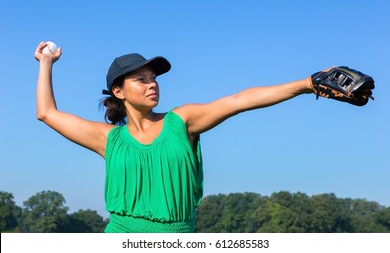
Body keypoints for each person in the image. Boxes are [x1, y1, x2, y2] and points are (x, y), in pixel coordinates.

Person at [34, 41, 314, 233]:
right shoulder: (109, 139)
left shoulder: (182, 121)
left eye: (153, 77)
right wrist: (46, 62)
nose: (152, 84)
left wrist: (306, 84)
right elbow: (46, 113)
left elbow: (239, 100)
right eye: (140, 79)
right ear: (118, 92)